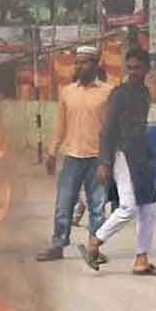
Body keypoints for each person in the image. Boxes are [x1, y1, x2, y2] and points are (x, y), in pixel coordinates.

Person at [78, 48, 156, 276]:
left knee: (148, 208)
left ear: (147, 69)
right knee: (128, 206)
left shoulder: (145, 93)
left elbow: (140, 126)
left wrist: (148, 153)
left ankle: (141, 259)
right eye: (130, 68)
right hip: (122, 154)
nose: (134, 72)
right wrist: (104, 162)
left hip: (141, 156)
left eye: (138, 67)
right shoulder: (120, 94)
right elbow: (107, 130)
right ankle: (95, 242)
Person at [37, 46, 113, 262]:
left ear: (96, 64)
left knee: (97, 207)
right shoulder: (67, 92)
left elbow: (112, 128)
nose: (80, 66)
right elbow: (60, 126)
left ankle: (94, 248)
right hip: (72, 156)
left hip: (98, 158)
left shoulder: (108, 92)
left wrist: (109, 160)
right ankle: (57, 245)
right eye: (77, 62)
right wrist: (52, 153)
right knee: (64, 204)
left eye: (85, 62)